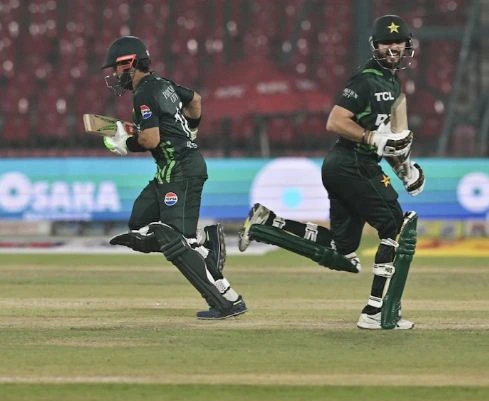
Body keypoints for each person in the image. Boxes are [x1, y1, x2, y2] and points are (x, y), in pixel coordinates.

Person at [238, 15, 425, 330]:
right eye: (386, 42)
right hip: (352, 162)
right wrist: (370, 138)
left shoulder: (394, 85)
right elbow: (335, 121)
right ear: (375, 46)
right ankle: (375, 312)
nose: (392, 48)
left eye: (397, 42)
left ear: (407, 45)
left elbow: (392, 142)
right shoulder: (366, 79)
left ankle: (267, 224)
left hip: (350, 164)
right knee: (393, 225)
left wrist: (406, 170)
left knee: (342, 249)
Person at [101, 36, 247, 319]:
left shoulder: (143, 92)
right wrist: (191, 132)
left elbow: (151, 139)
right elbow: (195, 101)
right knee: (139, 224)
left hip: (180, 171)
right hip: (171, 171)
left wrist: (125, 144)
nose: (115, 75)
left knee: (173, 241)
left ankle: (224, 302)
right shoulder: (163, 84)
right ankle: (206, 246)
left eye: (117, 68)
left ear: (129, 63)